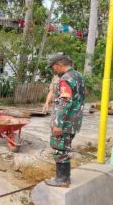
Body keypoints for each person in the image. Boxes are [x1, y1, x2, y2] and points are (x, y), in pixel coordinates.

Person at [44, 54, 85, 188]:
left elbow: (65, 101)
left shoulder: (66, 79)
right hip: (74, 121)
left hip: (65, 122)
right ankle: (63, 178)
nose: (54, 70)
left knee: (60, 149)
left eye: (54, 67)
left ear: (59, 65)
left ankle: (62, 180)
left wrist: (58, 124)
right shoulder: (78, 76)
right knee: (64, 149)